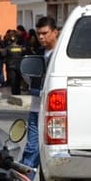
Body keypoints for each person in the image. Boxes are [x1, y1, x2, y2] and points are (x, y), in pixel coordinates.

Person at [21, 16, 59, 169]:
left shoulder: (61, 55)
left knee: (54, 152)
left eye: (45, 33)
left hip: (55, 110)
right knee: (31, 149)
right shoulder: (38, 53)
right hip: (36, 108)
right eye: (39, 34)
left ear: (55, 32)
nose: (41, 37)